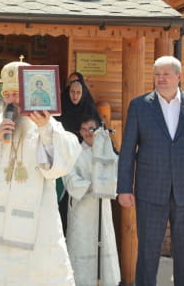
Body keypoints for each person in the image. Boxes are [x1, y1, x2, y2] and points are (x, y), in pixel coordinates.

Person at [0, 60, 81, 286]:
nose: (12, 100)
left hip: (36, 227)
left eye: (17, 94)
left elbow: (59, 166)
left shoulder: (47, 123)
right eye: (7, 94)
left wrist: (46, 130)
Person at [117, 55, 184, 286]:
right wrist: (124, 188)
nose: (161, 79)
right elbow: (127, 150)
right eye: (157, 74)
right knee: (147, 252)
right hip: (149, 192)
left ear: (179, 76)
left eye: (166, 74)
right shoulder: (139, 106)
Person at [63, 116, 120, 286]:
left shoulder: (106, 152)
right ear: (79, 132)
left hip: (102, 207)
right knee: (82, 244)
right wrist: (93, 185)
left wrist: (105, 184)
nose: (88, 132)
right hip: (82, 208)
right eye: (84, 129)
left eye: (92, 128)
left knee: (104, 243)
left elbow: (115, 174)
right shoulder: (74, 153)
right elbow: (70, 179)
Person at [55, 72, 101, 236]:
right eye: (72, 92)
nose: (75, 96)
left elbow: (98, 135)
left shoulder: (88, 109)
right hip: (64, 159)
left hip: (83, 164)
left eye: (78, 92)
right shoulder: (61, 108)